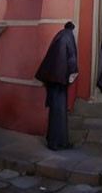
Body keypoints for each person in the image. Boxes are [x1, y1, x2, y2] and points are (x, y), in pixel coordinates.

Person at [35, 21, 78, 150]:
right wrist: (73, 74)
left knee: (55, 111)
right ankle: (57, 142)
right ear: (72, 29)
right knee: (60, 112)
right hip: (60, 81)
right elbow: (72, 59)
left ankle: (54, 140)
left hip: (53, 80)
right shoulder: (69, 37)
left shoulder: (58, 36)